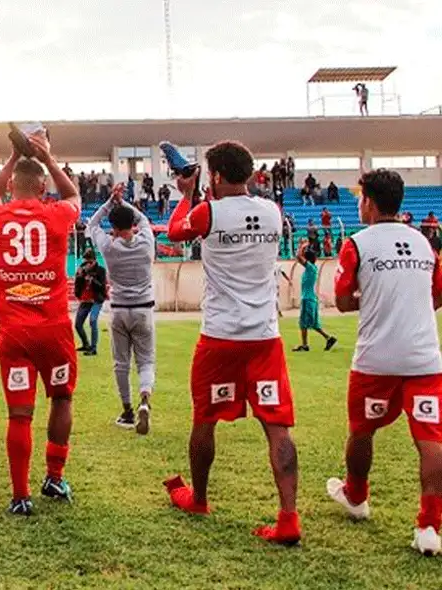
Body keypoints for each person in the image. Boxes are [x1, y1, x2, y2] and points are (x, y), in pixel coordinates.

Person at [164, 141, 301, 545]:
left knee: (204, 420)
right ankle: (289, 517)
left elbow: (174, 232)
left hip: (221, 336)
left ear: (217, 176)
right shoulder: (272, 212)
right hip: (264, 337)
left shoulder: (208, 212)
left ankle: (200, 498)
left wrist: (187, 194)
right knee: (278, 428)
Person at [328, 169, 442, 556]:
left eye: (361, 199)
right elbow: (437, 296)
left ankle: (357, 497)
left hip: (376, 360)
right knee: (431, 441)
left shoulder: (356, 244)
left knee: (361, 431)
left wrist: (371, 299)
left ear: (370, 204)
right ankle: (429, 526)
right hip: (425, 358)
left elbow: (343, 302)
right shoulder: (425, 242)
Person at [0, 131, 81, 516]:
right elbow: (73, 196)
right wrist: (49, 159)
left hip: (14, 332)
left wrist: (11, 157)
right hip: (52, 329)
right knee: (62, 398)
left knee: (19, 414)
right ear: (42, 186)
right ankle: (54, 477)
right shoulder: (55, 213)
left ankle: (20, 496)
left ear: (12, 184)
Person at [87, 182, 156, 434]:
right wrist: (123, 201)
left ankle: (127, 410)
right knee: (146, 361)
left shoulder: (109, 247)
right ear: (133, 225)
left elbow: (92, 225)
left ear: (113, 228)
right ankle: (145, 397)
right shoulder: (146, 241)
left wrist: (109, 203)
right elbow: (144, 219)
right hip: (143, 308)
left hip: (118, 309)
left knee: (121, 363)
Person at [292, 244, 337, 352]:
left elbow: (298, 257)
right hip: (310, 298)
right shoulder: (311, 268)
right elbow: (299, 258)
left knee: (305, 323)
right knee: (310, 323)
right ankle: (324, 339)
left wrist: (301, 247)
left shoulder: (310, 268)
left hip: (307, 299)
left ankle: (310, 343)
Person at [72, 249, 106, 356]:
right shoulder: (82, 270)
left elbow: (102, 286)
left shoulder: (100, 270)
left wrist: (92, 279)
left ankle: (93, 348)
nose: (88, 264)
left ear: (95, 261)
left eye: (90, 262)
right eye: (87, 262)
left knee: (93, 320)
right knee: (78, 324)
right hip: (85, 300)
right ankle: (86, 344)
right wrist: (80, 276)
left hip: (96, 299)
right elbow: (77, 285)